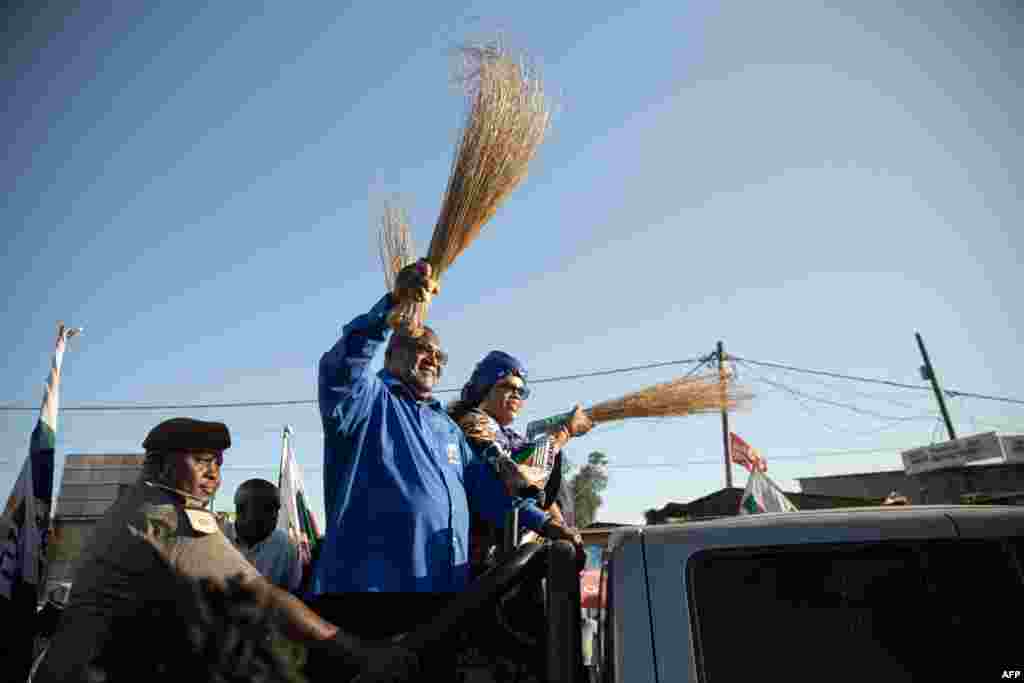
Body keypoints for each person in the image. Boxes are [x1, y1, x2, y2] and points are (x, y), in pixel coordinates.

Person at [310, 261, 581, 677]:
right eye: (424, 349)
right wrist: (393, 308)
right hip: (368, 595)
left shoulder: (445, 427)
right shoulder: (366, 403)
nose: (434, 360)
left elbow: (488, 493)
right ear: (394, 349)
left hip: (441, 599)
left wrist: (545, 524)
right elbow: (340, 368)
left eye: (440, 355)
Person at [34, 417, 414, 683]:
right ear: (160, 464)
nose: (214, 472)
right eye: (200, 460)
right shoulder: (168, 519)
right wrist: (357, 651)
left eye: (217, 462)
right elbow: (261, 597)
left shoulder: (131, 505)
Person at [447, 350, 592, 573]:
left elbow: (539, 495)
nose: (516, 395)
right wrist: (565, 433)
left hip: (513, 553)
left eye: (520, 391)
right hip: (484, 565)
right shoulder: (472, 424)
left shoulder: (509, 435)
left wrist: (562, 528)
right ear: (485, 388)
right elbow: (520, 476)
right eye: (508, 387)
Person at [232, 479, 303, 593]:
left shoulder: (285, 545)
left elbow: (293, 593)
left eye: (277, 509)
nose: (274, 516)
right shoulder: (215, 538)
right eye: (267, 508)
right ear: (241, 509)